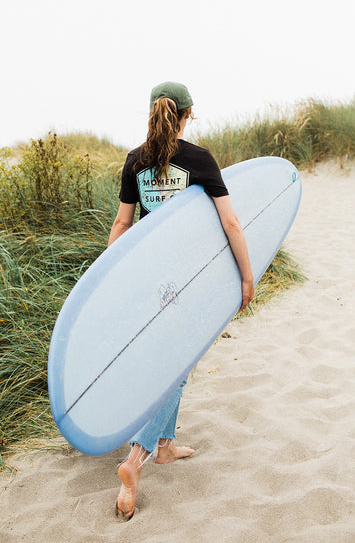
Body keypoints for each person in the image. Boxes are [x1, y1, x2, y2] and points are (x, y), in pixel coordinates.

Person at [108, 81, 255, 520]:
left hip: (148, 279)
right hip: (189, 280)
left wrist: (112, 280)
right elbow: (230, 221)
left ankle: (166, 446)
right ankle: (136, 460)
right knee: (175, 368)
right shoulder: (199, 160)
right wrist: (247, 275)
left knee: (172, 361)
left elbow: (121, 224)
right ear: (188, 114)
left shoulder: (136, 161)